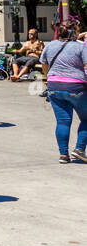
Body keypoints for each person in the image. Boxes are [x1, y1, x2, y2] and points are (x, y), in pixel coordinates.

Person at [40, 18, 87, 164]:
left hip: (54, 86)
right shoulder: (80, 47)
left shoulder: (50, 45)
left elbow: (43, 62)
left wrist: (48, 77)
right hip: (76, 87)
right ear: (74, 32)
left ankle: (63, 155)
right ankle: (79, 149)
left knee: (63, 122)